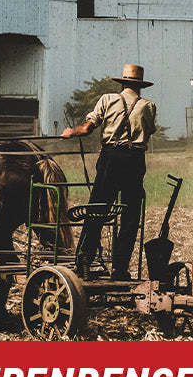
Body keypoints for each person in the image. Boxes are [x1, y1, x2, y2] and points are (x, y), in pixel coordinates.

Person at [61, 64, 158, 280]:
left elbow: (86, 129)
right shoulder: (149, 106)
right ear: (140, 86)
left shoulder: (107, 100)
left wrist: (71, 132)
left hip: (110, 160)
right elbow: (150, 131)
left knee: (97, 209)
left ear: (122, 83)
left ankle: (84, 259)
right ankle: (120, 269)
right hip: (135, 161)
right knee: (130, 216)